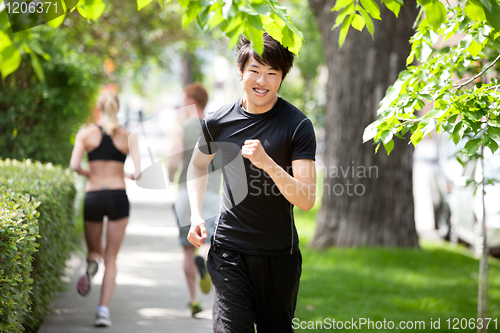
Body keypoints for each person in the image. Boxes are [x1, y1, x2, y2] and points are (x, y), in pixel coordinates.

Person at [187, 33, 317, 332]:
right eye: (255, 71)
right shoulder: (218, 121)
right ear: (241, 71)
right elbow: (196, 166)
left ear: (282, 78)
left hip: (278, 255)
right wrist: (195, 214)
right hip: (228, 250)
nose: (263, 81)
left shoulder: (297, 125)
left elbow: (307, 199)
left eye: (273, 73)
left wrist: (268, 163)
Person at [70, 90, 141, 327]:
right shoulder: (129, 136)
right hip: (118, 196)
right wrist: (125, 174)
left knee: (95, 252)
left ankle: (91, 266)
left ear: (98, 109)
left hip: (93, 196)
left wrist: (91, 172)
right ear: (117, 109)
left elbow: (74, 165)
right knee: (111, 258)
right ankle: (102, 311)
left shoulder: (86, 134)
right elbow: (139, 173)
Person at [167, 83, 222, 316]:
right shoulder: (216, 128)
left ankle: (194, 300)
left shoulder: (182, 128)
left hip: (184, 194)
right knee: (208, 244)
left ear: (190, 101)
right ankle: (207, 267)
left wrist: (171, 177)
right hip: (211, 194)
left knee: (187, 250)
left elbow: (172, 161)